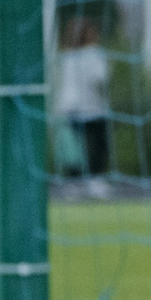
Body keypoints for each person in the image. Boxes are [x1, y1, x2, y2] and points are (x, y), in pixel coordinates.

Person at [50, 17, 113, 198]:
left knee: (75, 147)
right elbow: (101, 78)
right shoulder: (93, 53)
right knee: (97, 144)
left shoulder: (66, 55)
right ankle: (95, 180)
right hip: (92, 108)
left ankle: (73, 182)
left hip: (69, 107)